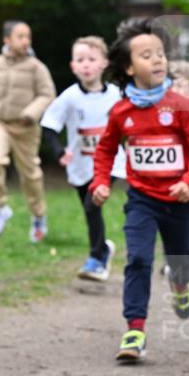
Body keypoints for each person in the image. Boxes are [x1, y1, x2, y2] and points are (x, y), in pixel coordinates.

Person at [90, 18, 189, 362]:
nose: (158, 60)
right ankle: (135, 330)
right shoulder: (121, 112)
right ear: (129, 67)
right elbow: (105, 150)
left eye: (160, 53)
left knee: (180, 262)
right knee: (139, 259)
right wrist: (100, 182)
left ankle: (181, 285)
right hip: (141, 198)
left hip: (179, 199)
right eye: (147, 55)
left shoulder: (182, 107)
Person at [40, 36, 125, 282]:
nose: (86, 64)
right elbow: (48, 126)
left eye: (91, 59)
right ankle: (103, 250)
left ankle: (97, 258)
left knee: (92, 204)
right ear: (72, 66)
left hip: (111, 163)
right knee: (90, 210)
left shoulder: (117, 96)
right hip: (80, 165)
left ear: (104, 64)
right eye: (80, 60)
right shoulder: (69, 97)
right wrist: (59, 152)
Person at [0, 20, 56, 241]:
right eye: (20, 36)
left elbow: (47, 94)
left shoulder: (36, 67)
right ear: (7, 40)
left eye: (28, 37)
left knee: (30, 174)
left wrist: (31, 113)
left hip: (25, 127)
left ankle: (38, 216)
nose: (25, 41)